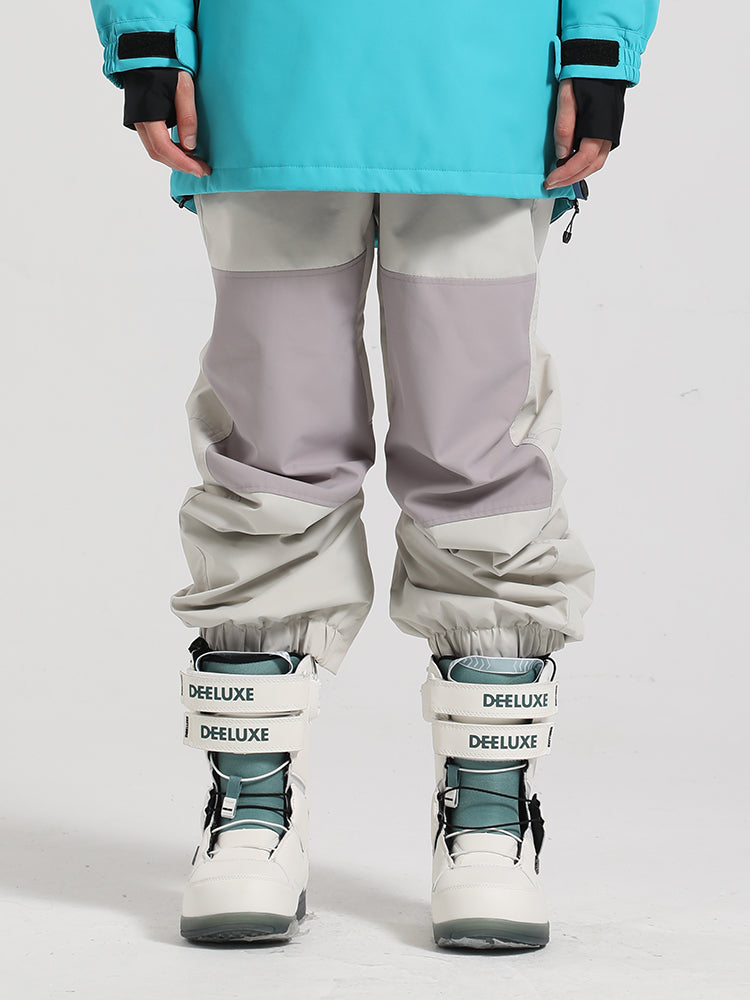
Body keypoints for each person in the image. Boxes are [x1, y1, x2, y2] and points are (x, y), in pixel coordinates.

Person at [89, 0, 659, 949]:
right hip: (270, 75)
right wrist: (148, 37)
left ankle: (487, 811)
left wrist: (600, 46)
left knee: (474, 456)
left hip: (481, 79)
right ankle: (254, 806)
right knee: (274, 456)